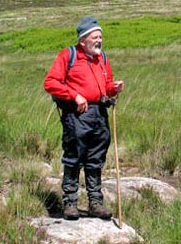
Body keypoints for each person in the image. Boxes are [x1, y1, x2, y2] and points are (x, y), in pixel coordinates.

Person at [44, 16, 124, 220]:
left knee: (96, 158)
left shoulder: (102, 58)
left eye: (100, 37)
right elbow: (50, 82)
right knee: (74, 157)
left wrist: (113, 89)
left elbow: (105, 87)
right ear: (83, 40)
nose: (99, 41)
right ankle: (70, 203)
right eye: (95, 37)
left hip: (99, 113)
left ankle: (95, 203)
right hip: (77, 114)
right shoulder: (68, 55)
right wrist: (75, 95)